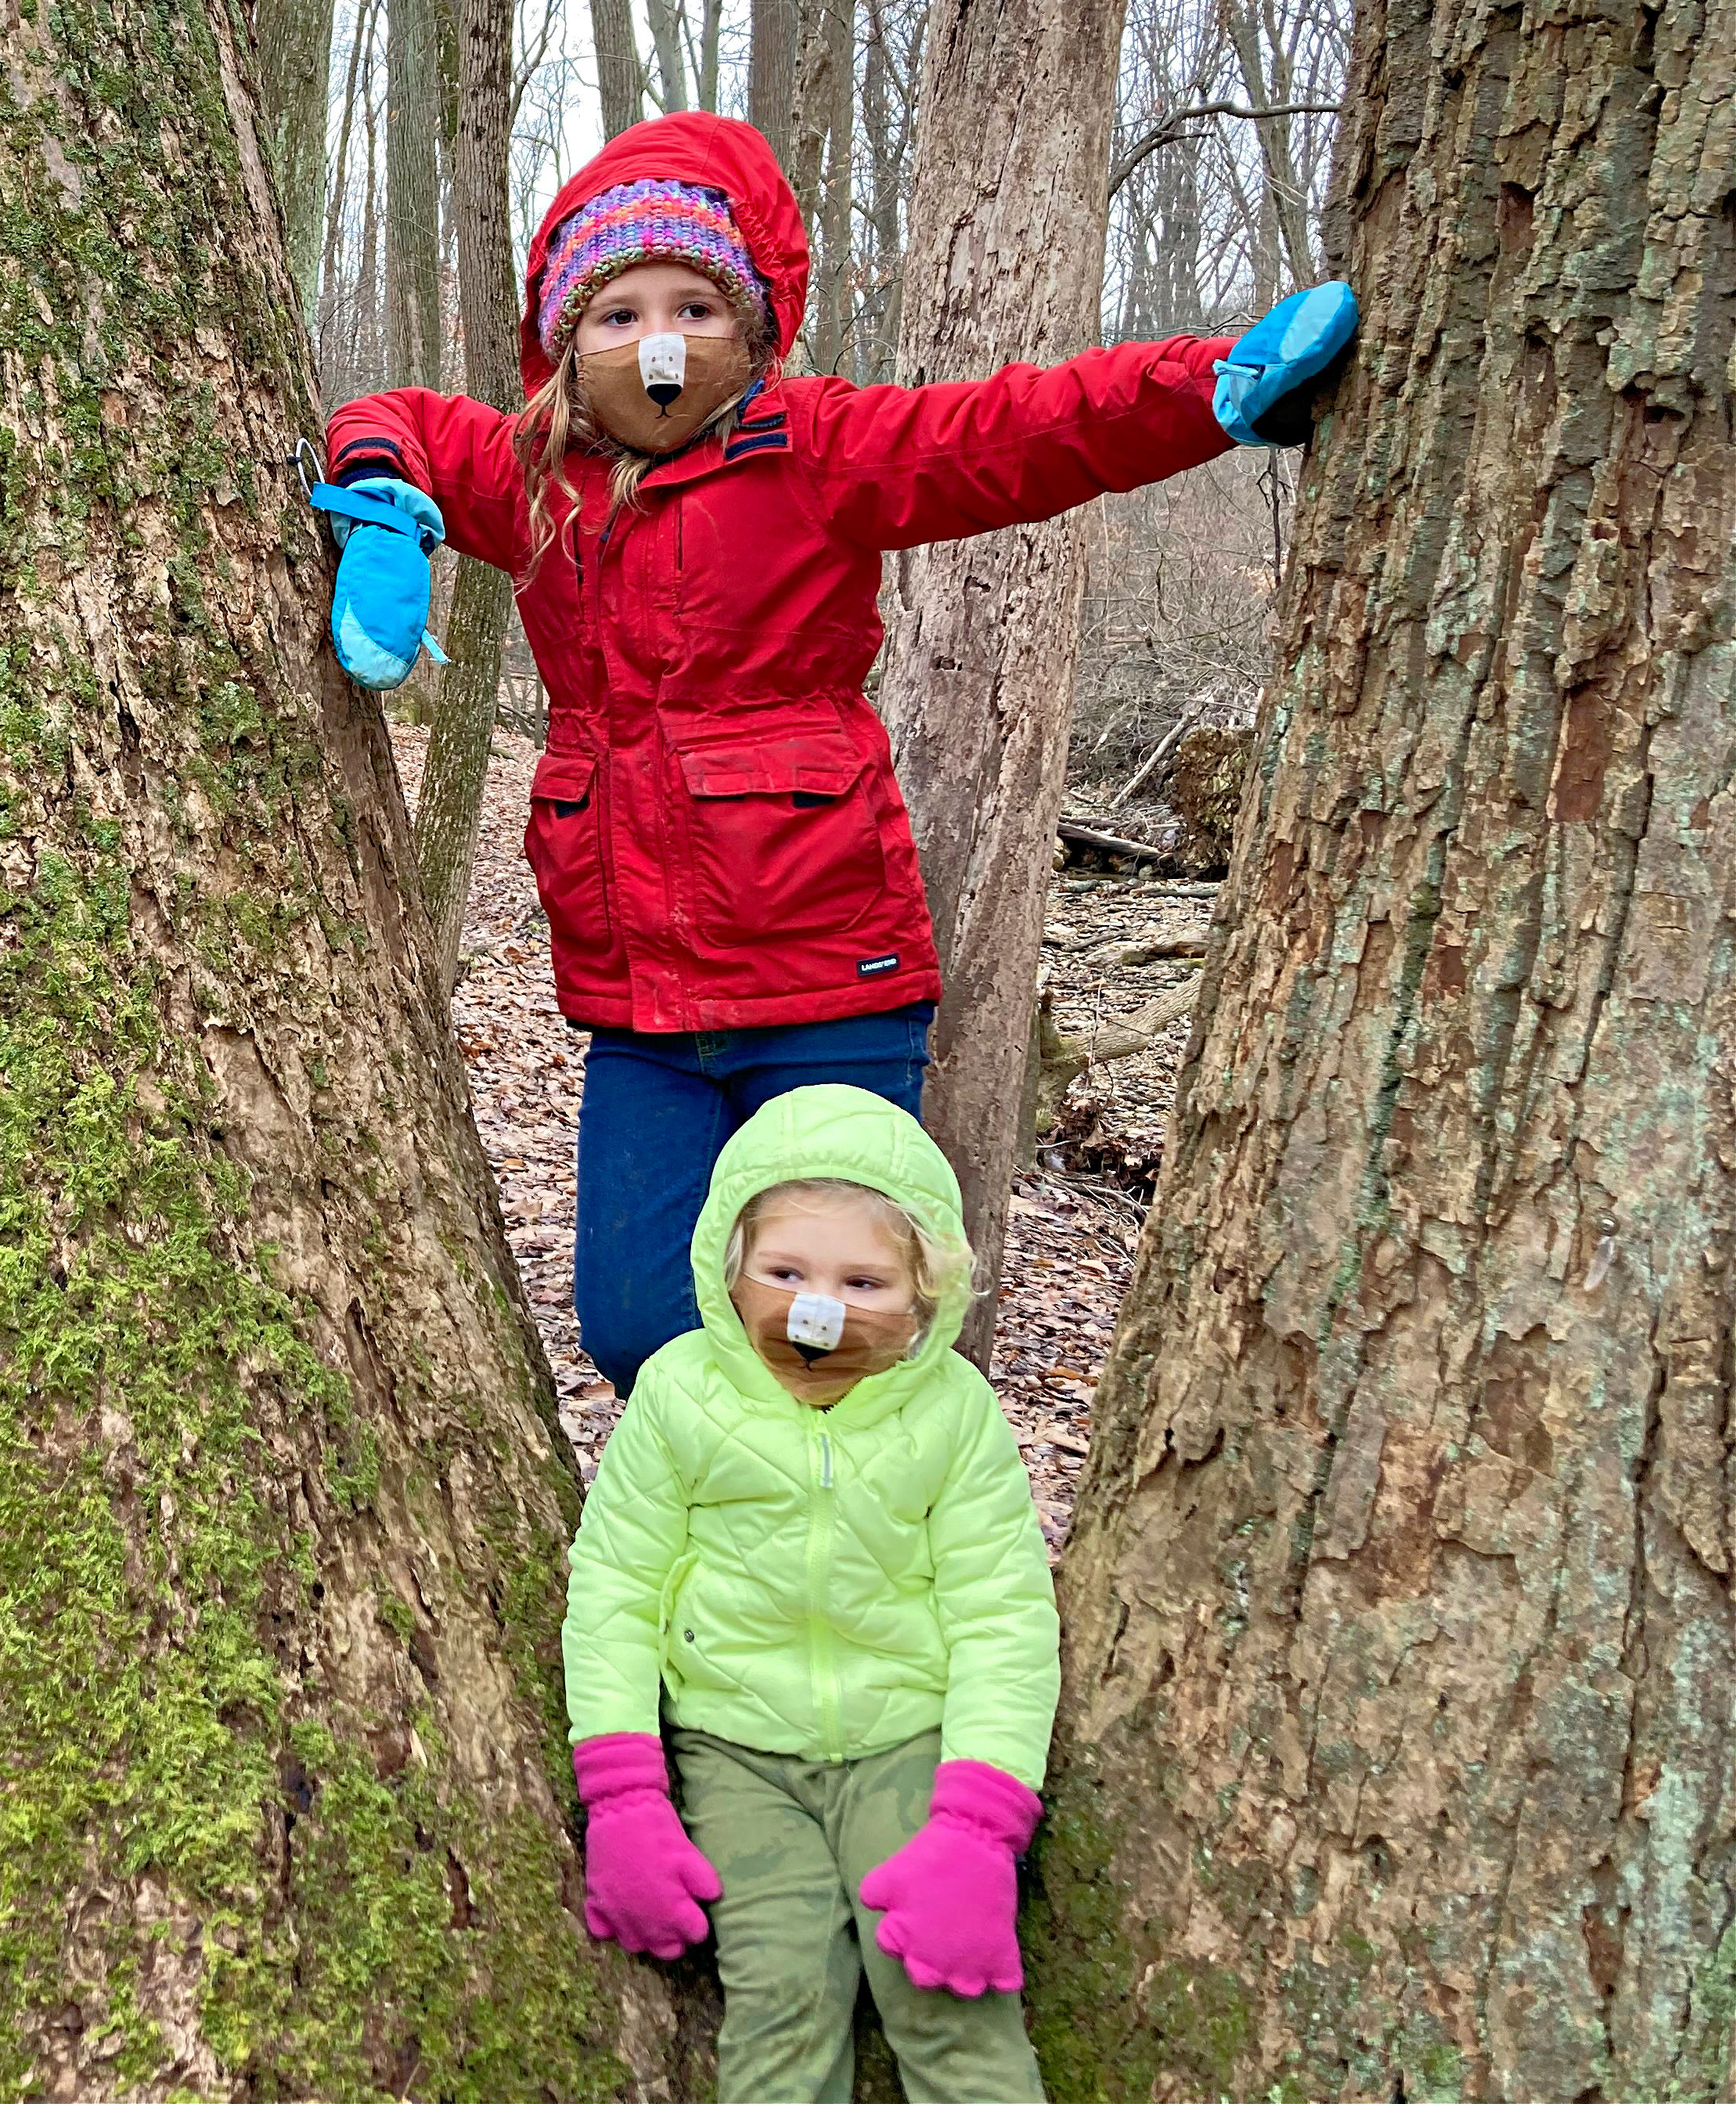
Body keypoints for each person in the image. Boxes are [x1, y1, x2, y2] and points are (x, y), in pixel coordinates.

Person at [309, 113, 1356, 1394]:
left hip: (830, 985)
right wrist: (383, 513)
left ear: (748, 330)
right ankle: (713, 1506)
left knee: (839, 1329)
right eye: (617, 312)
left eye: (693, 305)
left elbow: (1018, 434)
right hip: (638, 1008)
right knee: (637, 1325)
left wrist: (1208, 389)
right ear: (564, 345)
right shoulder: (535, 475)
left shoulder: (815, 448)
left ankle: (841, 1553)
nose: (657, 343)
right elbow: (391, 414)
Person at [561, 1083, 1057, 2102]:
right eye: (786, 1272)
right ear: (730, 1272)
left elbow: (1002, 1613)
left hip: (909, 1745)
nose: (819, 1311)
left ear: (927, 1295)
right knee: (781, 1995)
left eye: (865, 1282)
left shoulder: (955, 1417)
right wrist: (624, 1796)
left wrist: (979, 1823)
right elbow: (614, 1589)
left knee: (948, 1997)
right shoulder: (679, 1396)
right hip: (737, 1755)